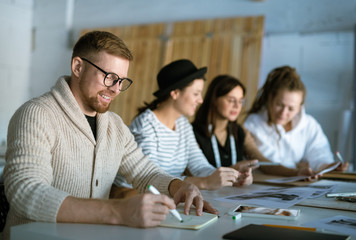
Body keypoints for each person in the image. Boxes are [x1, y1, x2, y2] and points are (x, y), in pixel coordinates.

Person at [3, 31, 216, 240]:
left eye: (122, 80)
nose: (116, 89)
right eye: (109, 77)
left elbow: (145, 173)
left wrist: (179, 186)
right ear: (78, 67)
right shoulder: (37, 114)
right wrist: (117, 211)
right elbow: (26, 191)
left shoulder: (114, 124)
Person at [114, 59, 247, 191]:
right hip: (132, 199)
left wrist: (231, 176)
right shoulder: (145, 125)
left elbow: (199, 166)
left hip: (168, 197)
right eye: (196, 94)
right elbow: (152, 178)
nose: (200, 100)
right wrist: (204, 182)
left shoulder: (183, 124)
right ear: (175, 93)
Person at [243, 66, 349, 177]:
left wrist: (327, 166)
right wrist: (299, 167)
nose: (283, 113)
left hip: (297, 186)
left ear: (300, 108)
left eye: (291, 108)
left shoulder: (309, 125)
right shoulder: (253, 124)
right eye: (279, 105)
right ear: (270, 99)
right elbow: (267, 164)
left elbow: (319, 154)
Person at [193, 75, 272, 185]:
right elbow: (195, 173)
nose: (237, 106)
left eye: (240, 101)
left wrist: (245, 176)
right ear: (214, 99)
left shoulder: (240, 131)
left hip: (232, 195)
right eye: (231, 100)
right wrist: (233, 170)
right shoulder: (192, 133)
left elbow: (260, 160)